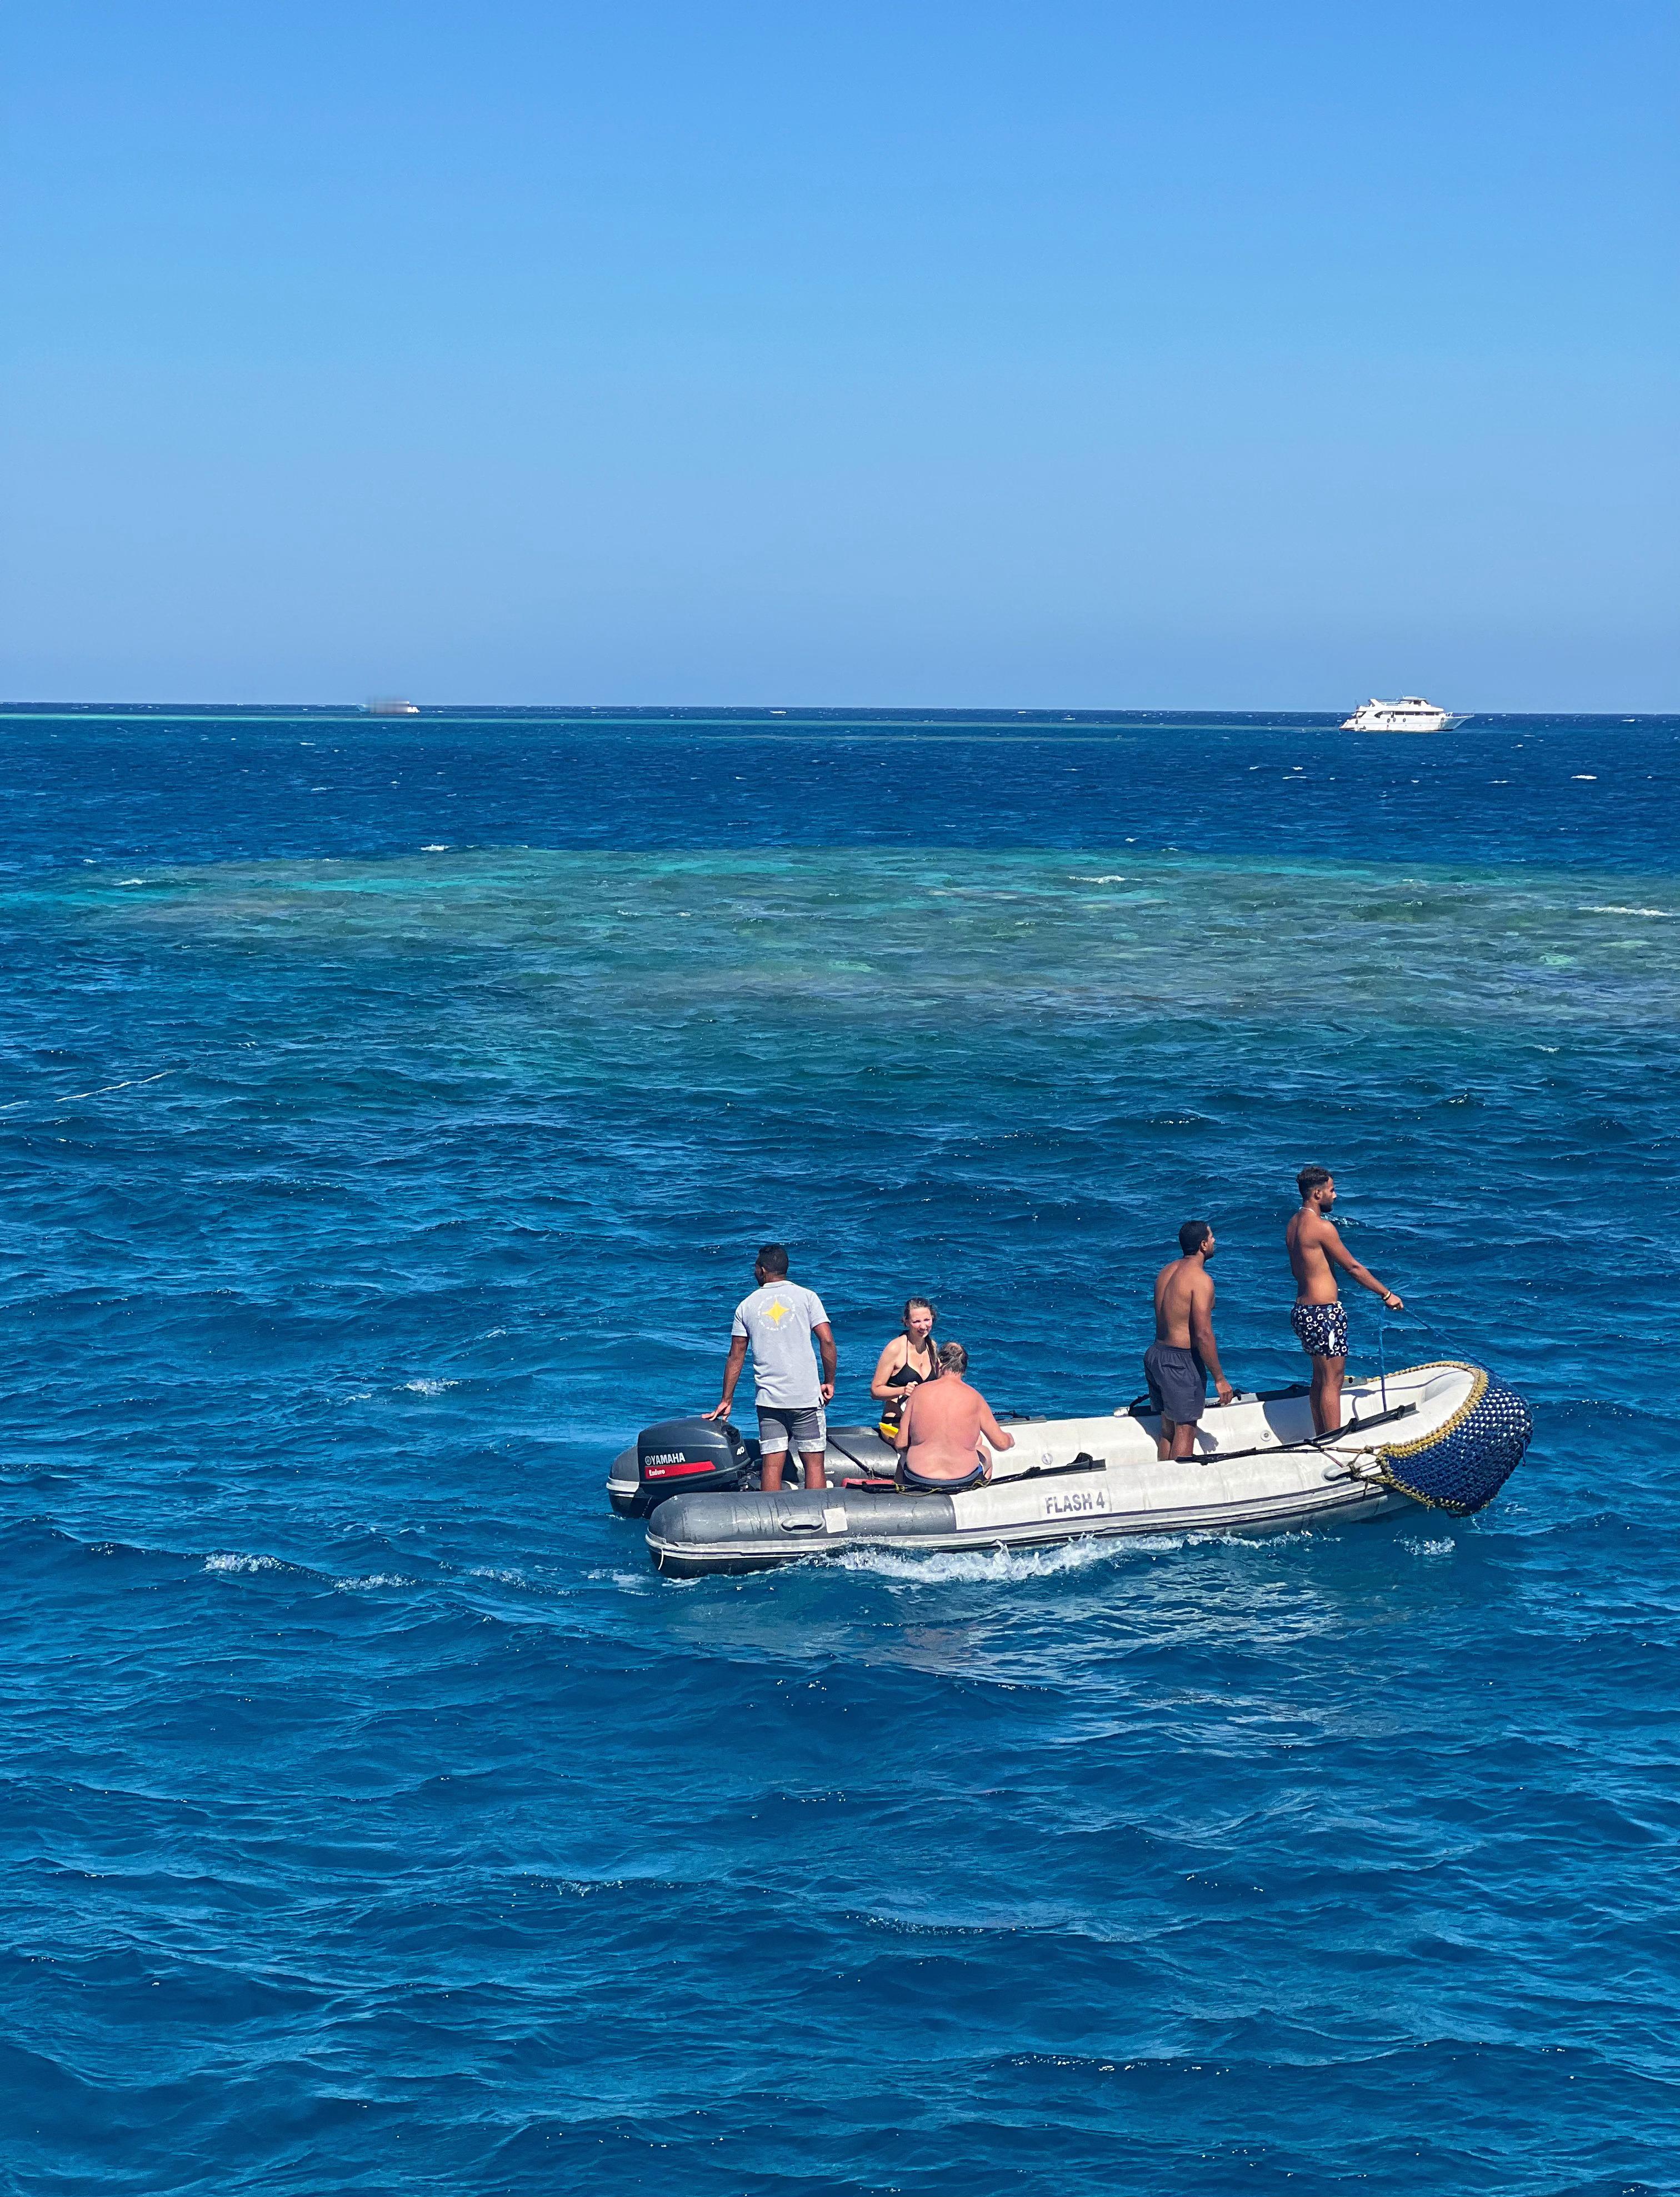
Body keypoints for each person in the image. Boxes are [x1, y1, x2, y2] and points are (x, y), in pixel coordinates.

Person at [705, 1243, 836, 1492]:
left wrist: (727, 1399)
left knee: (772, 1466)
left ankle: (772, 1525)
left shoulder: (746, 1305)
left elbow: (736, 1355)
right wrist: (829, 1381)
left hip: (769, 1401)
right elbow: (827, 1340)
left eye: (756, 1268)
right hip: (806, 1397)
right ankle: (819, 1521)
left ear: (763, 1271)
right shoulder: (808, 1297)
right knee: (815, 1467)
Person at [1286, 1167, 1404, 1436]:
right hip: (1323, 1313)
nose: (1335, 1196)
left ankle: (1322, 1436)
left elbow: (1297, 1270)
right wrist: (1386, 1294)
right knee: (1333, 1380)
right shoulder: (1321, 1227)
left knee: (1320, 1377)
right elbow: (1353, 1267)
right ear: (1317, 1194)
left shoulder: (1294, 1224)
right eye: (1332, 1190)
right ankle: (1333, 1441)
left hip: (1302, 1310)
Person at [1142, 1221, 1234, 1460]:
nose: (1214, 1241)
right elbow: (1203, 1334)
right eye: (1212, 1237)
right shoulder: (1200, 1280)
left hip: (1157, 1355)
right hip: (1180, 1362)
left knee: (1168, 1429)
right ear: (1203, 1245)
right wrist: (1220, 1379)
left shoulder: (1166, 1272)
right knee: (1185, 1429)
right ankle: (1176, 1491)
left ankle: (1162, 1486)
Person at [893, 1340, 1014, 1491]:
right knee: (985, 1451)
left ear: (938, 1363)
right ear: (964, 1369)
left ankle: (900, 1496)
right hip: (962, 1480)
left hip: (918, 1478)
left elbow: (901, 1443)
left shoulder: (918, 1393)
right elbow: (1001, 1444)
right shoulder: (975, 1398)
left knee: (905, 1457)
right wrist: (1010, 1439)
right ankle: (977, 1498)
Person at [869, 1296, 939, 1444]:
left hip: (924, 1423)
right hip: (895, 1424)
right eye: (916, 1322)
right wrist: (902, 1390)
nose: (923, 1326)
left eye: (927, 1320)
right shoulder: (895, 1349)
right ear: (907, 1322)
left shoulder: (932, 1347)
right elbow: (875, 1391)